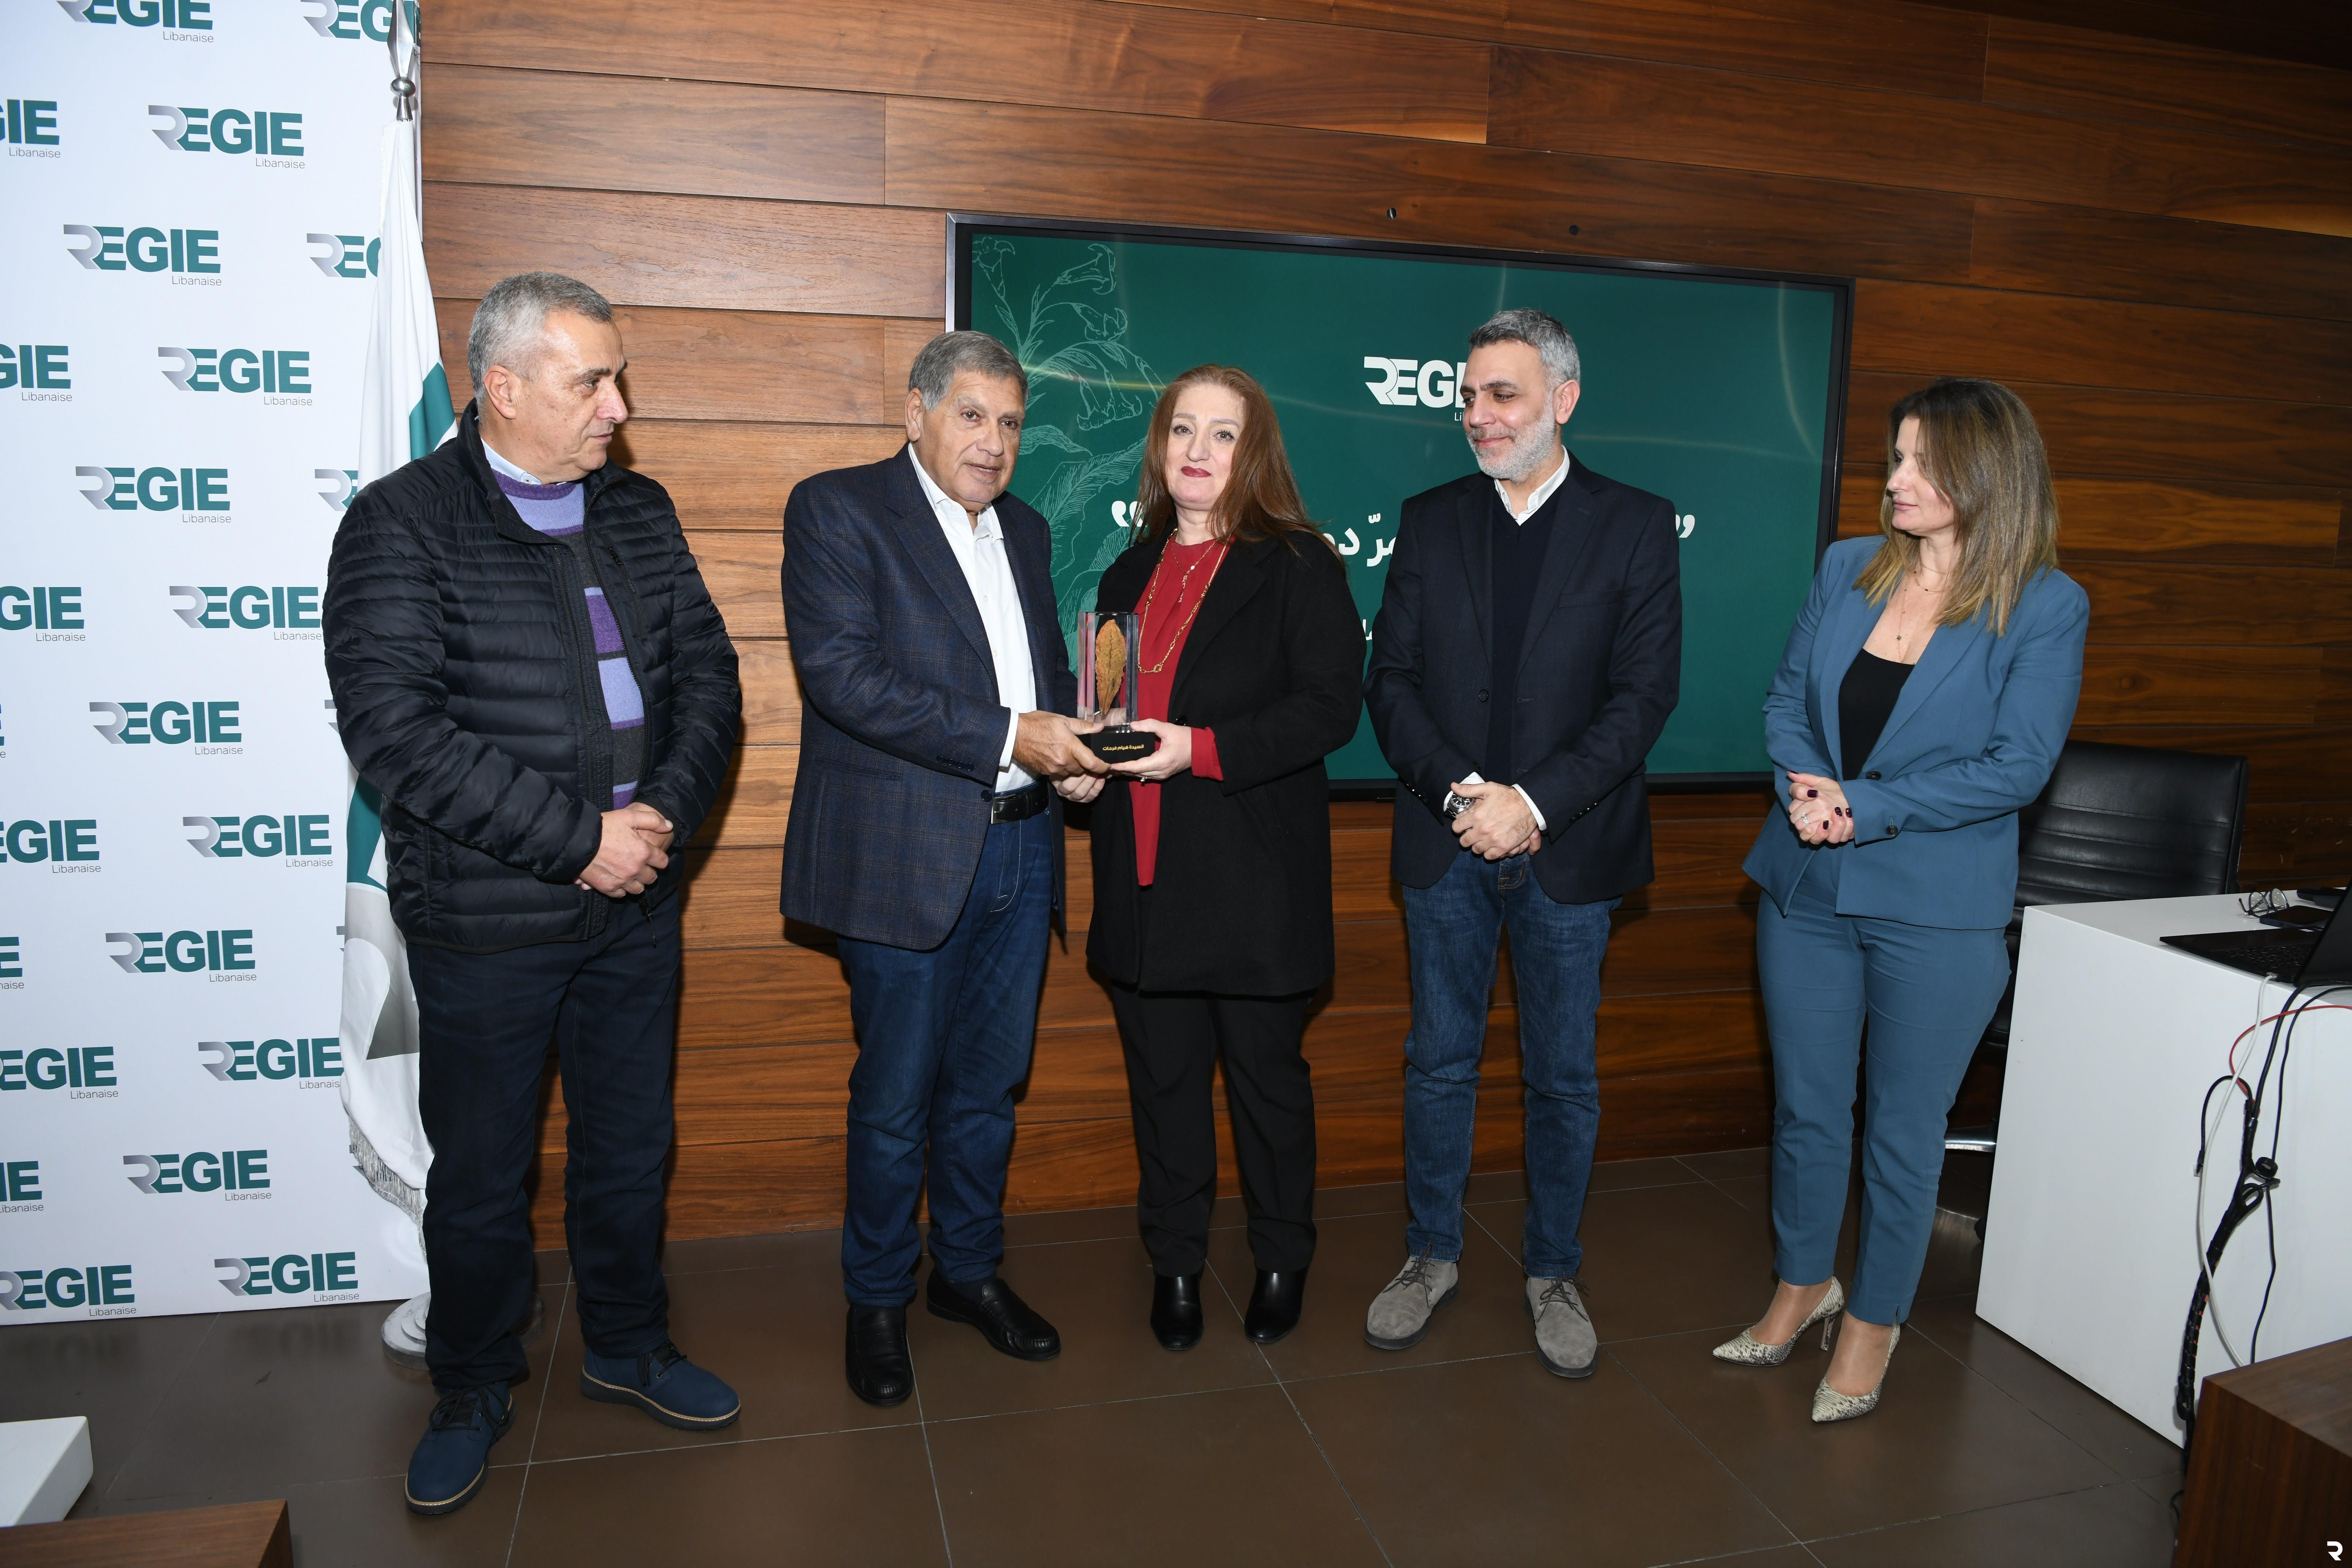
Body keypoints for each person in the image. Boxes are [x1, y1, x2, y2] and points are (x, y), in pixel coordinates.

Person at [325, 272, 744, 1516]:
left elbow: (709, 678)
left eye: (618, 379)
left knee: (631, 1147)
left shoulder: (637, 509)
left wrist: (658, 820)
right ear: (502, 388)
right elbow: (396, 733)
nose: (618, 407)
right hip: (488, 921)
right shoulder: (401, 523)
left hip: (637, 903)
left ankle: (628, 1342)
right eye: (592, 382)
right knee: (482, 1173)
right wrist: (579, 842)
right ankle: (470, 1383)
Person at [1721, 377, 2086, 1421]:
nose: (1897, 480)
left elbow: (2018, 767)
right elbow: (1786, 702)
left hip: (1936, 907)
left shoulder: (2044, 604)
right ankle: (1803, 1284)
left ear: (1988, 475)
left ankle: (1874, 1322)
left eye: (1924, 463)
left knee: (1902, 1131)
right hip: (1807, 886)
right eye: (1896, 458)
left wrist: (1864, 806)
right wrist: (1809, 787)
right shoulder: (1849, 567)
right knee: (1806, 1108)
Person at [781, 330, 1106, 1408]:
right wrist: (1017, 736)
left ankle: (966, 1273)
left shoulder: (1027, 528)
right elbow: (844, 678)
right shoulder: (837, 509)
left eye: (1010, 423)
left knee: (988, 1089)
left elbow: (1035, 676)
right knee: (895, 1098)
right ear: (916, 411)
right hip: (904, 858)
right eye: (972, 415)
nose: (993, 442)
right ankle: (876, 1299)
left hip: (1023, 847)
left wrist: (1072, 759)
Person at [1362, 307, 1682, 1378]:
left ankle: (1553, 1272)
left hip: (1569, 852)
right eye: (1469, 397)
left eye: (1502, 394)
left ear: (1564, 399)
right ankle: (1431, 1257)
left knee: (1564, 1079)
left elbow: (1643, 699)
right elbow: (1391, 682)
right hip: (1447, 840)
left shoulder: (1635, 524)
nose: (1479, 416)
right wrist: (1467, 794)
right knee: (1438, 1065)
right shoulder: (1431, 518)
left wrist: (1532, 804)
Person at [1070, 366, 1364, 1350]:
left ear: (1255, 453)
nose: (1197, 450)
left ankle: (1282, 1258)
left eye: (1223, 434)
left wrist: (1197, 749)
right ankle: (1176, 1265)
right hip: (1144, 881)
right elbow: (1111, 716)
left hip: (1252, 888)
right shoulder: (1125, 575)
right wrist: (1087, 766)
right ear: (1159, 448)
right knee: (1164, 1092)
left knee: (1268, 1089)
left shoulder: (1299, 564)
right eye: (1181, 430)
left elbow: (1329, 709)